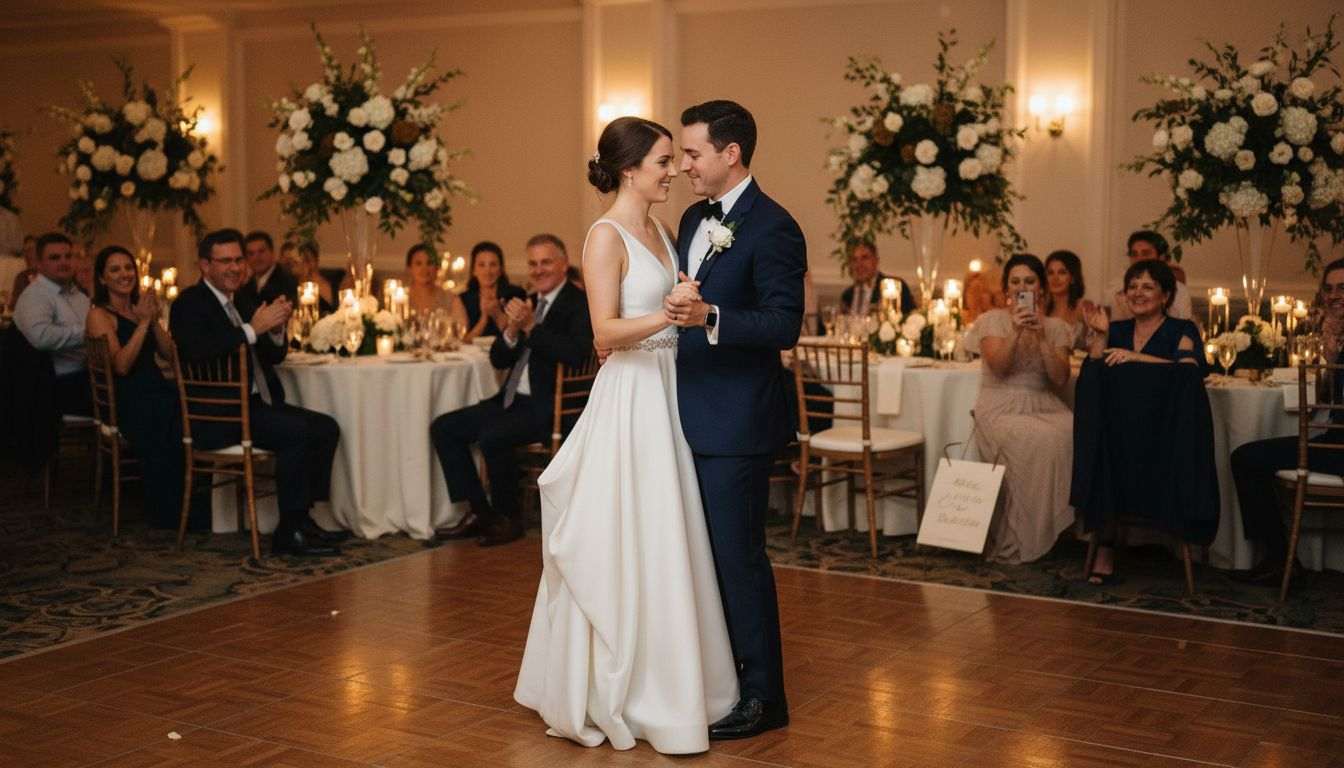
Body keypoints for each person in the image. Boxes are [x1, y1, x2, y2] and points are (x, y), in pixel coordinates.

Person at [514, 117, 737, 755]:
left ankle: (676, 682)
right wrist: (666, 314)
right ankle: (622, 687)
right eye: (664, 161)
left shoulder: (664, 232)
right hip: (632, 395)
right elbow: (603, 334)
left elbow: (659, 316)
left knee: (669, 536)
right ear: (630, 167)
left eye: (674, 160)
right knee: (629, 535)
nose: (675, 171)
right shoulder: (605, 235)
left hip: (667, 390)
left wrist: (684, 305)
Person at [663, 100, 805, 740]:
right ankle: (714, 677)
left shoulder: (775, 227)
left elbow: (783, 323)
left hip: (736, 423)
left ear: (731, 154)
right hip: (679, 411)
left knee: (737, 557)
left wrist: (712, 318)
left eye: (692, 153)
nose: (683, 165)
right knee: (693, 555)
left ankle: (763, 695)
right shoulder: (694, 217)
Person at [170, 228, 344, 556]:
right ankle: (288, 531)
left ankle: (303, 518)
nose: (235, 268)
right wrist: (253, 329)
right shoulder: (190, 304)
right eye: (225, 261)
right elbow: (198, 350)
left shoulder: (244, 301)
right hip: (216, 415)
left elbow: (272, 356)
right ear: (205, 265)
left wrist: (276, 331)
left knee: (325, 428)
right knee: (297, 432)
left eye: (239, 259)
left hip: (254, 406)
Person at [429, 234, 592, 546]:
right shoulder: (529, 300)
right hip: (510, 398)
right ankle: (481, 511)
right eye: (532, 263)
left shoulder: (578, 302)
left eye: (546, 262)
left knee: (492, 435)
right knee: (444, 428)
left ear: (563, 264)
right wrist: (513, 330)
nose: (538, 269)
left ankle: (509, 518)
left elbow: (576, 353)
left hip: (548, 406)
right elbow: (498, 358)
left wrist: (532, 328)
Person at [1075, 258, 1213, 583]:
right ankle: (1105, 546)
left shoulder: (1183, 329)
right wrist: (1098, 336)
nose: (1138, 293)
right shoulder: (1118, 329)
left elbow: (1188, 370)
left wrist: (1138, 357)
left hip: (1163, 438)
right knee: (1103, 449)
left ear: (1165, 295)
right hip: (1122, 433)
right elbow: (1095, 375)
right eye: (1132, 286)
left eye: (1147, 286)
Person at [1229, 258, 1344, 588]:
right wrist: (1332, 356)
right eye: (1329, 288)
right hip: (1331, 439)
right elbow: (1329, 395)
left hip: (1339, 447)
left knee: (1246, 459)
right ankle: (1280, 559)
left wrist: (1334, 358)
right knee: (1248, 458)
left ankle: (1280, 561)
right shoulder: (1336, 334)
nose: (1334, 295)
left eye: (1342, 288)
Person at [963, 254, 1075, 564]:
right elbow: (998, 368)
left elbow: (1059, 377)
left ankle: (1051, 528)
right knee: (1038, 439)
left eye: (1029, 281)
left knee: (1071, 431)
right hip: (1000, 405)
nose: (1021, 287)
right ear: (1006, 289)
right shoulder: (991, 320)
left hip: (1042, 401)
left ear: (1041, 290)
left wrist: (1040, 337)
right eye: (1015, 282)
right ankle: (1025, 536)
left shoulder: (1056, 327)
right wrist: (1014, 331)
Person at [85, 245, 206, 530]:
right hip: (128, 398)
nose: (124, 274)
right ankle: (173, 510)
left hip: (155, 388)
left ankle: (196, 501)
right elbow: (122, 366)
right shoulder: (99, 315)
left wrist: (152, 322)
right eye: (115, 269)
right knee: (169, 412)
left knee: (190, 402)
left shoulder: (140, 308)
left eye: (128, 268)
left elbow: (169, 354)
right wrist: (142, 324)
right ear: (102, 278)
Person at [12, 232, 91, 416]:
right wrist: (88, 334)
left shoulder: (79, 296)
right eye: (55, 258)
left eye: (68, 256)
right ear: (38, 264)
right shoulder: (35, 295)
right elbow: (42, 337)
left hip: (84, 376)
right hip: (55, 386)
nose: (63, 262)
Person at [1105, 230, 1192, 321]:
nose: (1138, 259)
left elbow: (1183, 328)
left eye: (1145, 254)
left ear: (1161, 258)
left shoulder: (1180, 292)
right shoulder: (1115, 294)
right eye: (1134, 254)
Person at [459, 241, 526, 341]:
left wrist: (496, 313)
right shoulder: (463, 299)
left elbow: (516, 336)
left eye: (493, 265)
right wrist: (484, 317)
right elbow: (462, 341)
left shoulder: (516, 294)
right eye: (482, 265)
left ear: (501, 269)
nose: (488, 271)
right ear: (473, 270)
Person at [839, 239, 916, 316]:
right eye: (854, 259)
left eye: (865, 258)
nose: (859, 264)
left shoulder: (894, 287)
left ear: (876, 261)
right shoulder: (847, 296)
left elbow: (909, 319)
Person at [404, 243, 469, 326]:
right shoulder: (400, 300)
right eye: (418, 263)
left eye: (429, 263)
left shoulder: (450, 299)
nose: (424, 268)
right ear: (410, 268)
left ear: (437, 267)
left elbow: (461, 330)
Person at [238, 230, 298, 306]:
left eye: (261, 252)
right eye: (251, 254)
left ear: (272, 252)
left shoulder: (287, 281)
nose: (256, 258)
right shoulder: (248, 285)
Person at [1044, 249, 1086, 346]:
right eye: (1050, 273)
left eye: (1062, 272)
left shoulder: (1083, 307)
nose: (1055, 278)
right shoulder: (1040, 307)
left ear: (1073, 278)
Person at [291, 242, 335, 314]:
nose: (301, 265)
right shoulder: (292, 287)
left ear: (316, 261)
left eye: (307, 260)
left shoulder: (327, 285)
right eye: (297, 262)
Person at [9, 234, 37, 303]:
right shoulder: (21, 277)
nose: (27, 255)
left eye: (31, 250)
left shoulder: (50, 276)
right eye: (25, 251)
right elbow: (14, 304)